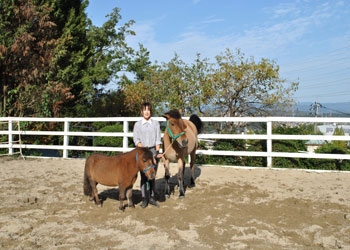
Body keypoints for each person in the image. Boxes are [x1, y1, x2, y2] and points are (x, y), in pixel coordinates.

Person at [133, 102, 162, 208]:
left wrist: (156, 153)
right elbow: (136, 140)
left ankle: (153, 198)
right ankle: (144, 198)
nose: (146, 112)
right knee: (144, 177)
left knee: (152, 176)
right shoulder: (137, 125)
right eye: (144, 110)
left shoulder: (155, 124)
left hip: (153, 152)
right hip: (143, 153)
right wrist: (144, 152)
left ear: (151, 111)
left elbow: (158, 139)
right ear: (141, 111)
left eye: (148, 110)